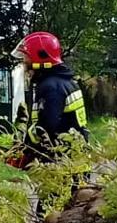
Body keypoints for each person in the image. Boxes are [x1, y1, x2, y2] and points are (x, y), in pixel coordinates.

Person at [14, 31, 88, 164]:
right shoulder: (65, 82)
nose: (24, 62)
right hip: (75, 157)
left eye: (26, 57)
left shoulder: (51, 87)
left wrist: (27, 154)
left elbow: (45, 129)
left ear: (40, 58)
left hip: (61, 161)